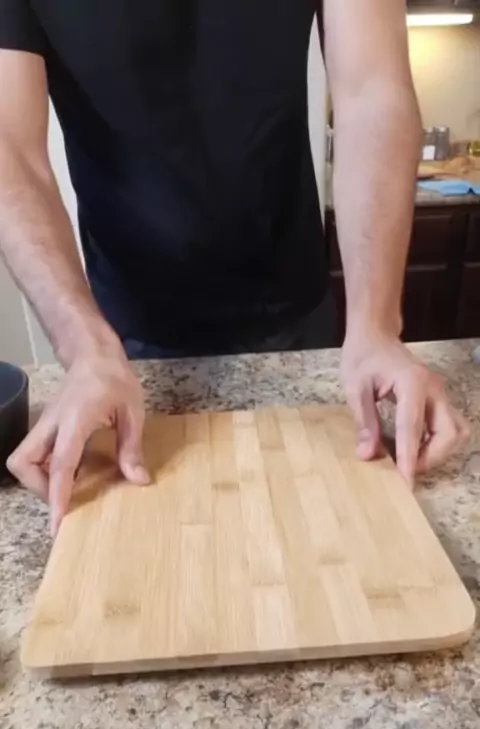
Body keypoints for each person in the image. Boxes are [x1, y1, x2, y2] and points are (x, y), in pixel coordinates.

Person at [0, 0, 468, 535]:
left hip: (299, 321)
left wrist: (377, 326)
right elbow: (9, 146)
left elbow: (372, 91)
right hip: (122, 346)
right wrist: (85, 349)